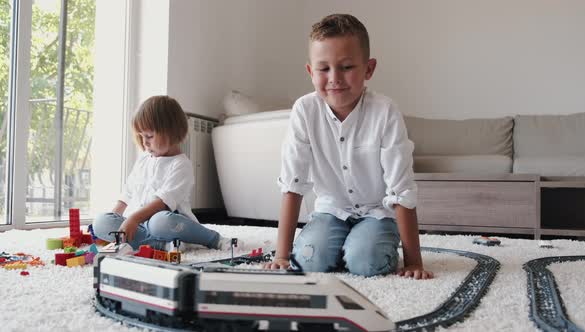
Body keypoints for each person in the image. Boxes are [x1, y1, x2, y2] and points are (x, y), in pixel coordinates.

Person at [263, 14, 433, 279]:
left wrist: (414, 262)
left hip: (377, 213)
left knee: (365, 262)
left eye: (346, 67)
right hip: (331, 210)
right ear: (310, 72)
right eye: (324, 69)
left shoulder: (385, 111)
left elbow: (402, 189)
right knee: (308, 261)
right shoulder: (305, 110)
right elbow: (292, 183)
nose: (335, 78)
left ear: (369, 68)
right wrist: (282, 256)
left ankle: (366, 245)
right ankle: (342, 245)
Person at [92, 95, 239, 251]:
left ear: (172, 132)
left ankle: (213, 239)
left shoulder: (181, 165)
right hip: (139, 226)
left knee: (159, 222)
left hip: (167, 223)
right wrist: (117, 223)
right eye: (141, 137)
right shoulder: (143, 161)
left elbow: (162, 202)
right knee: (100, 221)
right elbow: (126, 196)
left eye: (149, 136)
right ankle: (160, 245)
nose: (144, 143)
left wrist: (134, 219)